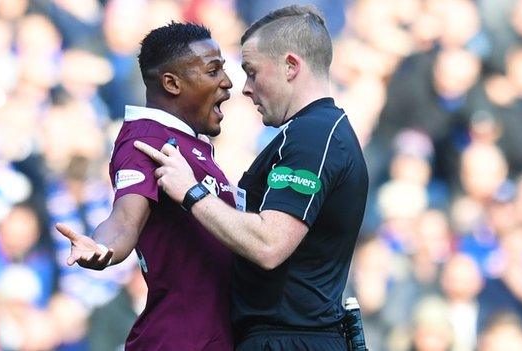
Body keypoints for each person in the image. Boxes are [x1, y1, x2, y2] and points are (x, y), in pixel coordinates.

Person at [135, 5, 368, 351]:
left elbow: (269, 244)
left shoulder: (313, 137)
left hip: (289, 340)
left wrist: (191, 192)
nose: (245, 88)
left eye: (252, 72)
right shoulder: (309, 135)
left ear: (291, 66)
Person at [55, 22, 235, 350]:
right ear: (172, 83)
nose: (227, 82)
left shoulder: (190, 142)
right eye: (213, 71)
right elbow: (125, 217)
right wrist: (103, 248)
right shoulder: (145, 140)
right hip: (180, 340)